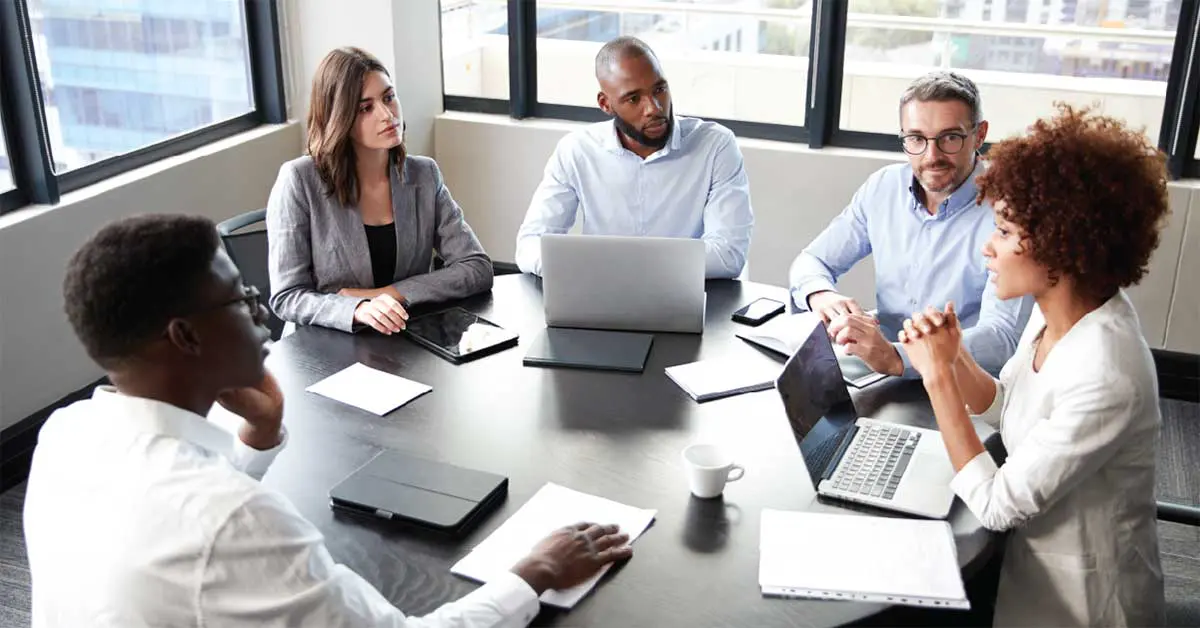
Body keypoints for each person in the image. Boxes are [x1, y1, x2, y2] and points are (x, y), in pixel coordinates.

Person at [24, 214, 633, 626]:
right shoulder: (237, 519)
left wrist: (260, 438)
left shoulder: (66, 435)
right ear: (184, 336)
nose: (261, 309)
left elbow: (183, 524)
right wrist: (535, 569)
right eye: (240, 298)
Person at [898, 105, 1167, 625]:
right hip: (1035, 573)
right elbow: (1008, 408)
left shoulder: (1107, 372)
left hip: (1087, 607)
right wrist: (956, 359)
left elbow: (997, 506)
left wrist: (936, 380)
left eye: (1002, 231)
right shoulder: (1060, 315)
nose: (988, 249)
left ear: (1060, 245)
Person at [789, 71, 1031, 378]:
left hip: (966, 386)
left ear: (979, 135)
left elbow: (1003, 337)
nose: (932, 156)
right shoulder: (883, 187)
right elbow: (812, 261)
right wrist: (823, 296)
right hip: (879, 373)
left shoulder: (1012, 210)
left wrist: (898, 357)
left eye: (950, 138)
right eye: (916, 138)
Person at [268, 47, 492, 336]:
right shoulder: (299, 181)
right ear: (340, 118)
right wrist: (356, 309)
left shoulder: (424, 175)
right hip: (323, 347)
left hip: (403, 338)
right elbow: (288, 296)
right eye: (366, 108)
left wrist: (387, 294)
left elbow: (477, 267)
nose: (387, 115)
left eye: (388, 97)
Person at [514, 36, 753, 279]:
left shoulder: (716, 146)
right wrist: (583, 270)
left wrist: (616, 267)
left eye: (659, 90)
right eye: (633, 98)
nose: (654, 109)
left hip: (697, 299)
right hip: (603, 297)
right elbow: (530, 245)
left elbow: (728, 254)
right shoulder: (576, 151)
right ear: (605, 104)